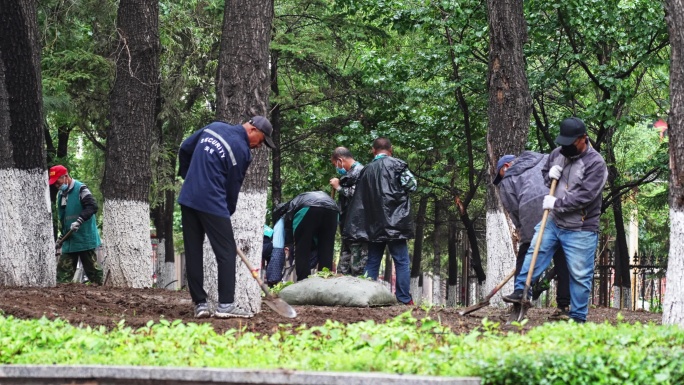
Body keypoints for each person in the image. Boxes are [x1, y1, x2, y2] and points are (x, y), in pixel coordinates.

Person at [503, 117, 607, 323]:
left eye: (569, 143)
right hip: (554, 221)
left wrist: (555, 204)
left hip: (581, 227)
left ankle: (577, 317)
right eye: (562, 142)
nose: (564, 147)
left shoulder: (595, 164)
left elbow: (586, 196)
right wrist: (549, 175)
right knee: (535, 251)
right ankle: (521, 292)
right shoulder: (557, 154)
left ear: (583, 139)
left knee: (579, 274)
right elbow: (544, 173)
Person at [177, 116, 275, 319]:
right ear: (253, 130)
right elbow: (233, 187)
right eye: (262, 140)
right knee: (227, 252)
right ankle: (226, 306)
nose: (259, 146)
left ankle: (200, 305)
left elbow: (185, 148)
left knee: (193, 252)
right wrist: (226, 212)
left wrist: (190, 178)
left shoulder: (214, 127)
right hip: (213, 203)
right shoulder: (242, 150)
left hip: (189, 198)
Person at [494, 152, 571, 319]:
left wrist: (521, 229)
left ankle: (519, 300)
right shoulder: (544, 158)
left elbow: (512, 206)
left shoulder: (508, 177)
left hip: (530, 211)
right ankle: (563, 307)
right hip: (558, 204)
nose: (501, 178)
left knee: (526, 252)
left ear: (506, 167)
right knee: (562, 256)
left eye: (499, 173)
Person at [343, 137, 416, 305]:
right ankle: (404, 299)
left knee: (373, 261)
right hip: (395, 224)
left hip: (373, 225)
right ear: (391, 150)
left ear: (373, 150)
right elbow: (412, 185)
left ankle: (367, 298)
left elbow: (359, 199)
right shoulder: (398, 165)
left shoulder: (366, 170)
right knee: (402, 261)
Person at [49, 165, 104, 285]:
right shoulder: (61, 195)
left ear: (65, 176)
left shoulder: (80, 189)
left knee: (93, 272)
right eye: (54, 183)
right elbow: (63, 218)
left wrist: (79, 221)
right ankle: (60, 298)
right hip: (69, 240)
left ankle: (103, 294)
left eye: (57, 182)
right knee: (62, 274)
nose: (56, 185)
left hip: (84, 239)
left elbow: (92, 206)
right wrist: (61, 237)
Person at [282, 191, 339, 281]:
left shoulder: (292, 204)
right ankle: (325, 280)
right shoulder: (301, 198)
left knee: (302, 248)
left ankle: (303, 281)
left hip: (308, 207)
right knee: (327, 249)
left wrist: (289, 244)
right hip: (333, 210)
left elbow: (288, 224)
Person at [329, 147, 367, 276]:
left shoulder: (361, 171)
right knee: (343, 267)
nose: (336, 168)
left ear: (340, 160)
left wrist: (338, 187)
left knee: (357, 267)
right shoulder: (350, 173)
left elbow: (358, 195)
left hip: (358, 227)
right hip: (348, 226)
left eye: (335, 164)